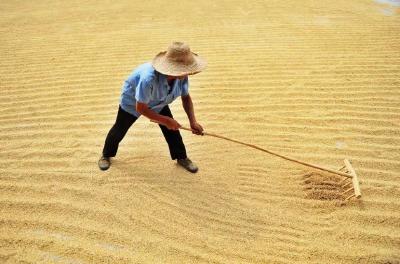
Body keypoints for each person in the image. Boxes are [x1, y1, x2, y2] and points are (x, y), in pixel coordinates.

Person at [98, 42, 206, 173]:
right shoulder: (148, 79)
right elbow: (141, 108)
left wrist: (193, 122)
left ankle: (181, 157)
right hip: (133, 102)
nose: (189, 72)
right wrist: (166, 120)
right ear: (174, 69)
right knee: (120, 128)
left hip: (159, 101)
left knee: (172, 131)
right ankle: (106, 154)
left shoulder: (182, 76)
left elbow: (186, 97)